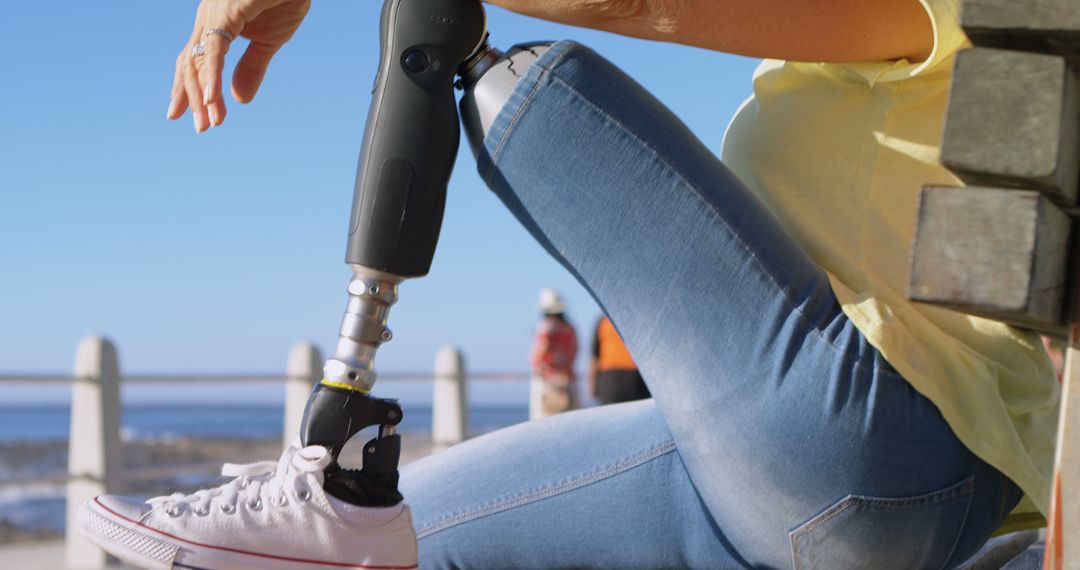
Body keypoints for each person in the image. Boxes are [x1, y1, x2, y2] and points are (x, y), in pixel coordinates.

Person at [82, 0, 1061, 568]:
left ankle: (340, 405)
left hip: (851, 431)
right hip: (890, 497)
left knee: (503, 64)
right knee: (394, 544)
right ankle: (332, 503)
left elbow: (641, 1)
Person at [529, 288, 580, 418]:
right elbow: (573, 354)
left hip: (547, 384)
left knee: (543, 427)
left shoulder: (546, 328)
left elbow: (536, 358)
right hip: (568, 381)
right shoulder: (570, 329)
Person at [589, 315, 650, 405]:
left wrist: (592, 385)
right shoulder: (638, 320)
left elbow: (594, 357)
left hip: (611, 379)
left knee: (611, 415)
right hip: (634, 378)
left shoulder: (603, 321)